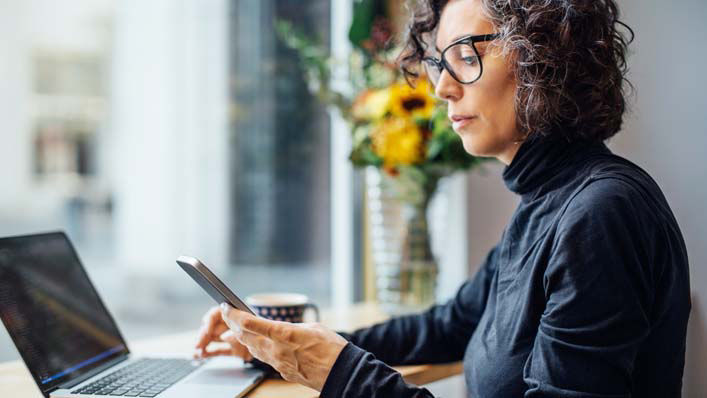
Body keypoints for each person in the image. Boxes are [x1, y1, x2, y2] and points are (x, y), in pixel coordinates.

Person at [194, 0, 691, 396]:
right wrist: (280, 347)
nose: (442, 88)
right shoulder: (549, 203)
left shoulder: (600, 213)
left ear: (547, 56)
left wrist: (342, 375)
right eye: (440, 62)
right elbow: (448, 326)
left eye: (467, 56)